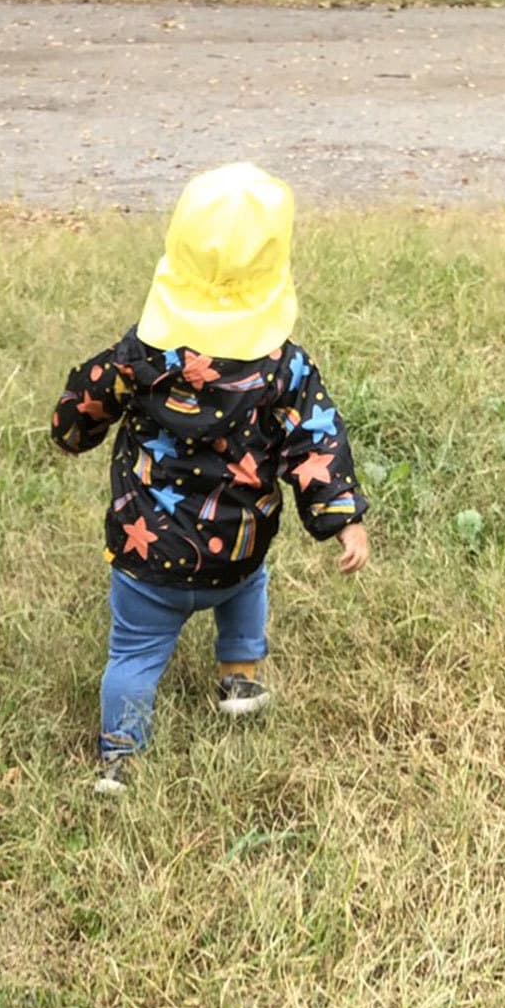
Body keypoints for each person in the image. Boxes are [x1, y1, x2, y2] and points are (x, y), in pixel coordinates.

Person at [50, 163, 370, 796]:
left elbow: (86, 399)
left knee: (135, 656)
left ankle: (120, 756)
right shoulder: (284, 367)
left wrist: (71, 433)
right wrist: (344, 518)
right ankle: (240, 681)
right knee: (248, 594)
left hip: (148, 555)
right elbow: (318, 438)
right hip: (239, 547)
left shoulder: (140, 353)